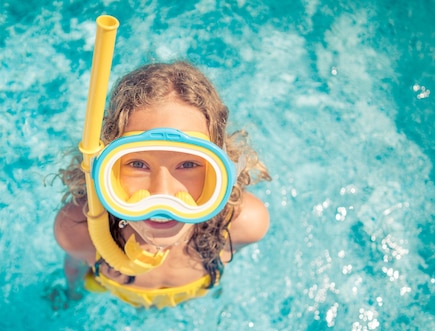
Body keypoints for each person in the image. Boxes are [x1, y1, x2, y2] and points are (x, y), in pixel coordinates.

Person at [52, 61, 271, 309]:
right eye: (137, 163)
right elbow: (74, 267)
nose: (163, 194)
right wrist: (72, 295)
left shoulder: (243, 225)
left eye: (188, 164)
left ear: (223, 169)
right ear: (103, 166)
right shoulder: (79, 231)